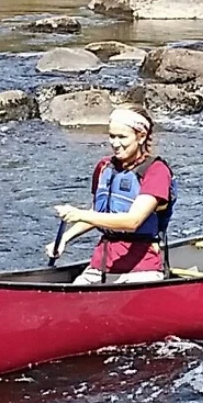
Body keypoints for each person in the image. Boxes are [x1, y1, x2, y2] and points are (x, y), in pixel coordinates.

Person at [50, 107, 174, 283]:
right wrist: (64, 239)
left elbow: (133, 221)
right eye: (112, 136)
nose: (115, 143)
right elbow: (98, 212)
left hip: (141, 268)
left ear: (141, 136)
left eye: (122, 137)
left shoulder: (156, 171)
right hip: (101, 264)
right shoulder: (104, 167)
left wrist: (79, 214)